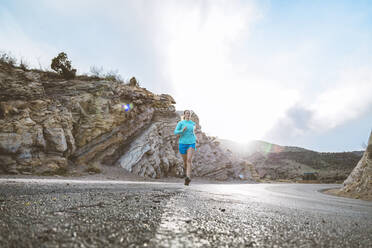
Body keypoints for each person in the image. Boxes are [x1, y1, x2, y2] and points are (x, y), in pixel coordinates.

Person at [174, 110, 198, 186]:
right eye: (187, 113)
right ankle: (185, 173)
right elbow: (175, 132)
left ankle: (188, 178)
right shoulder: (180, 123)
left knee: (189, 160)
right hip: (182, 143)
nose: (188, 114)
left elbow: (193, 132)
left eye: (189, 113)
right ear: (184, 115)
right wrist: (182, 130)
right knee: (185, 162)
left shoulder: (193, 123)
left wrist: (196, 138)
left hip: (191, 142)